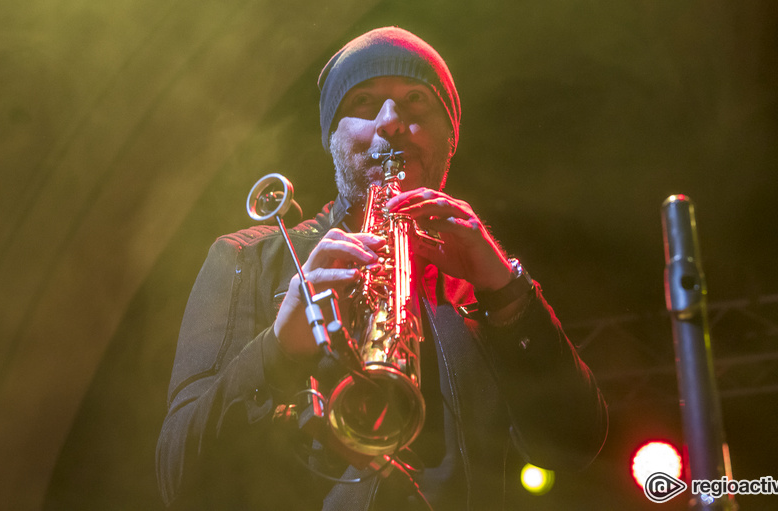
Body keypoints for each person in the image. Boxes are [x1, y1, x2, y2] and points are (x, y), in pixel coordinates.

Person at [156, 27, 607, 510]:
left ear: (449, 139)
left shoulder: (480, 285)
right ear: (333, 137)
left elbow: (575, 445)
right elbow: (179, 477)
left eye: (415, 99)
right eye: (364, 102)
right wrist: (278, 349)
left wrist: (506, 290)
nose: (391, 122)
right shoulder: (248, 258)